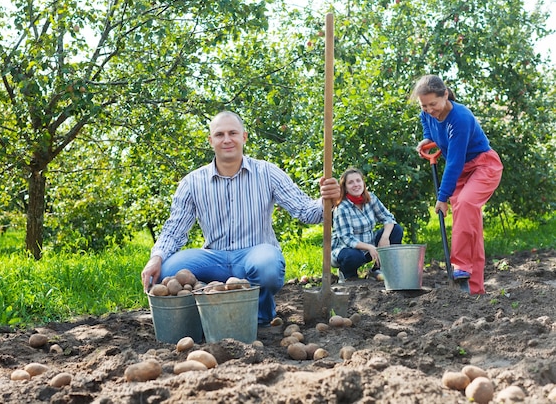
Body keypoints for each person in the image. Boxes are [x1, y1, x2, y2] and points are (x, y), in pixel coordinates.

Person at [140, 110, 341, 326]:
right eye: (219, 135)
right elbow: (175, 229)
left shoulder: (267, 173)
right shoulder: (192, 183)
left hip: (255, 254)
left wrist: (327, 200)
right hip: (213, 258)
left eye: (233, 133)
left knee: (267, 266)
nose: (227, 139)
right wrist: (156, 258)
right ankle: (206, 311)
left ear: (244, 137)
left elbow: (306, 211)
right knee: (168, 271)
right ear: (210, 141)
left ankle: (260, 315)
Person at [412, 74, 503, 295]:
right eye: (424, 105)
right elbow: (427, 121)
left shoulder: (460, 118)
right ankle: (475, 289)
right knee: (472, 228)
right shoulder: (427, 112)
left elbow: (453, 161)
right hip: (462, 174)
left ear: (445, 95)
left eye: (433, 104)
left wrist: (442, 198)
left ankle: (460, 265)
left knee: (464, 203)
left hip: (483, 166)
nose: (429, 109)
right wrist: (427, 138)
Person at [331, 167, 404, 281]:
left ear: (363, 183)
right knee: (353, 256)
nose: (356, 185)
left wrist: (384, 238)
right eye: (351, 182)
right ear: (345, 187)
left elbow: (388, 218)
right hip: (346, 249)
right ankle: (347, 275)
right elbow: (347, 238)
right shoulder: (342, 208)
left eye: (358, 181)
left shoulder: (370, 198)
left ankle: (378, 269)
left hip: (369, 246)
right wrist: (369, 247)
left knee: (396, 230)